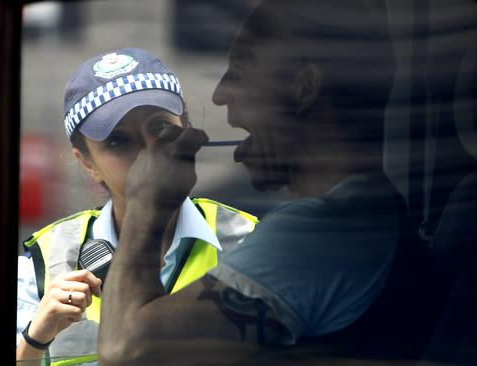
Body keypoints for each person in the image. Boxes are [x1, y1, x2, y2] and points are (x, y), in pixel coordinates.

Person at [98, 1, 416, 364]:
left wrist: (146, 205)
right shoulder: (370, 211)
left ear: (304, 87)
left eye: (240, 71)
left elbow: (125, 352)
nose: (220, 93)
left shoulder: (322, 233)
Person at [15, 48, 258, 365]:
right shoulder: (41, 268)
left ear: (185, 127)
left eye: (159, 127)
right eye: (117, 141)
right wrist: (35, 339)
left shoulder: (252, 243)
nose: (147, 150)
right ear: (88, 163)